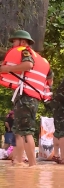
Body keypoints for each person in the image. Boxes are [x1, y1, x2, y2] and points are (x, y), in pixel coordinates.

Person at [0, 30, 53, 166]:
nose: (13, 45)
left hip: (26, 98)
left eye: (15, 41)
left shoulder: (25, 52)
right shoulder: (42, 59)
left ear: (23, 42)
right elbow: (50, 80)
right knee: (19, 131)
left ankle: (32, 165)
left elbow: (28, 65)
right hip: (29, 97)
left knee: (26, 132)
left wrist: (5, 69)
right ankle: (18, 161)